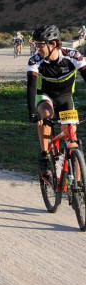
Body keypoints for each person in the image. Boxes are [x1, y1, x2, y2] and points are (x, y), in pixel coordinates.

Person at [27, 25, 86, 175]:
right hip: (45, 96)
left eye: (40, 44)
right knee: (46, 115)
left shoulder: (72, 56)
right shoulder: (35, 61)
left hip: (65, 98)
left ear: (53, 44)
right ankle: (44, 155)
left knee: (72, 142)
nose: (37, 48)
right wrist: (32, 112)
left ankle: (79, 187)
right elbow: (31, 87)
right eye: (35, 44)